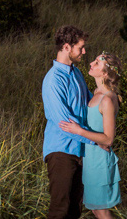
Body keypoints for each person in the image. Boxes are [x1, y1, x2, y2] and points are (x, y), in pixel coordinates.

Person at [41, 24, 98, 219]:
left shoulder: (77, 73)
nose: (84, 52)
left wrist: (109, 98)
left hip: (80, 150)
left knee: (75, 210)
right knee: (60, 209)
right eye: (80, 47)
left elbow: (90, 104)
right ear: (66, 47)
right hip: (61, 150)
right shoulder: (53, 80)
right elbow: (64, 123)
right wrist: (96, 141)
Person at [60, 51, 123, 217]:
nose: (91, 64)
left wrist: (79, 131)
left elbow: (108, 139)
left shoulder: (108, 100)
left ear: (104, 73)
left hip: (100, 160)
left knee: (100, 209)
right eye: (94, 60)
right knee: (95, 207)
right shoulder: (96, 92)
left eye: (97, 63)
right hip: (91, 158)